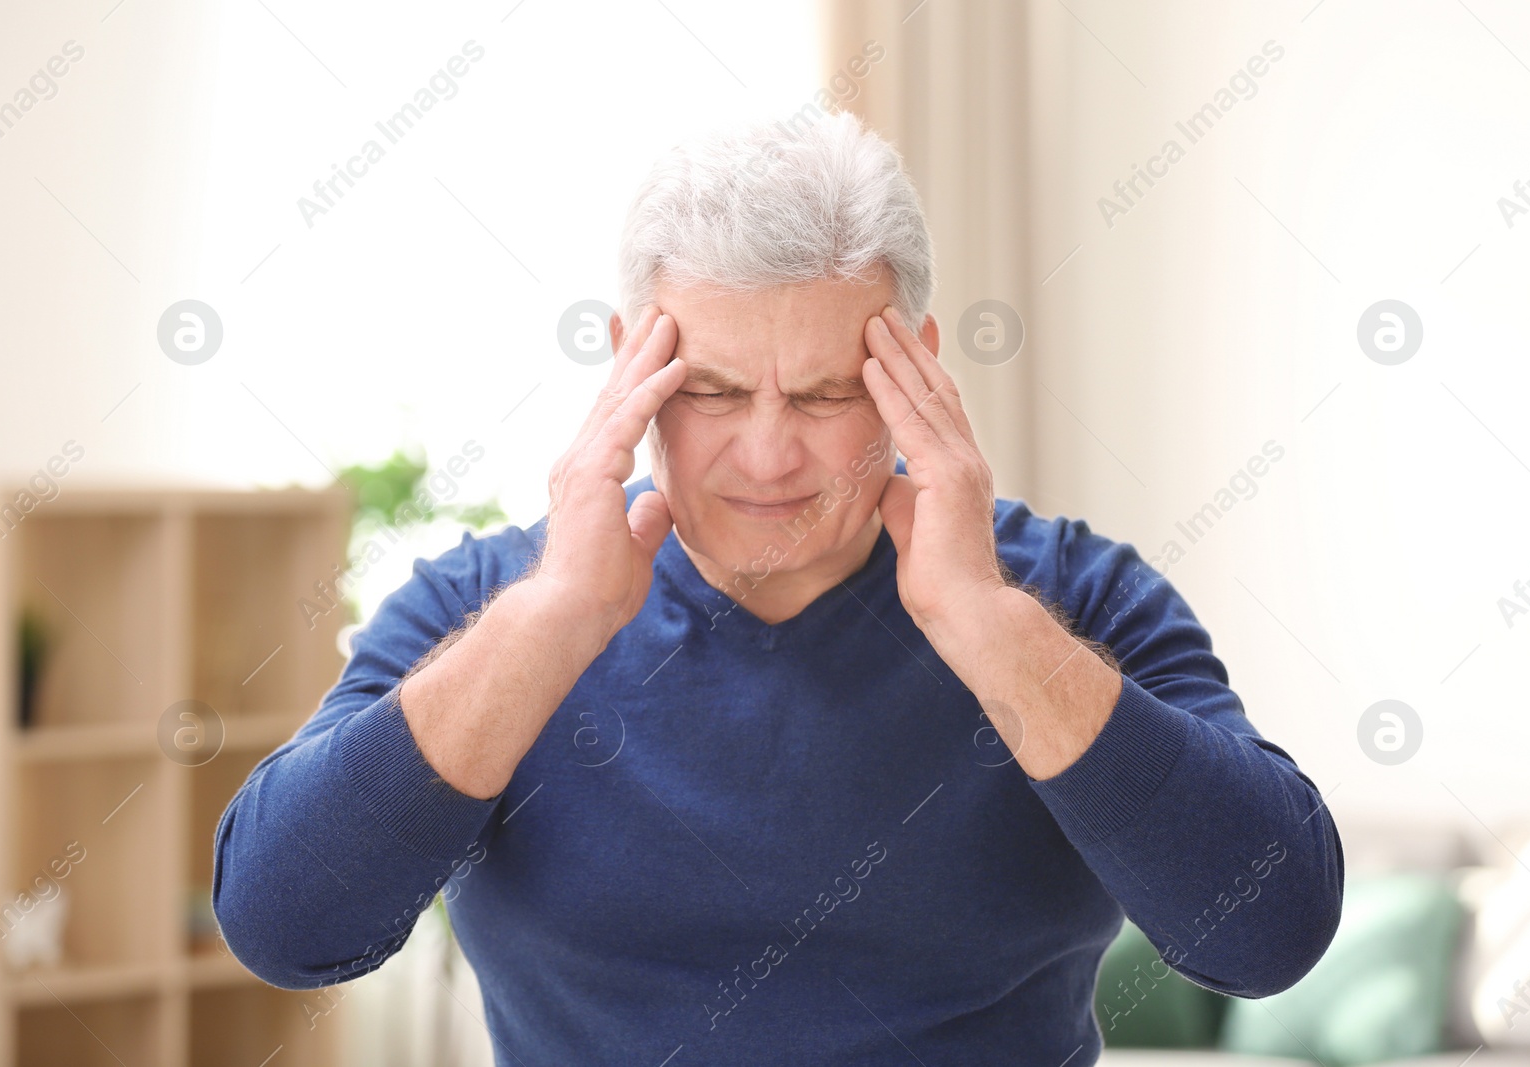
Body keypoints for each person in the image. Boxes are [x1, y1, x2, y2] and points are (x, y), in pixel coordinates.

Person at [213, 111, 1343, 1066]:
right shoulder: (491, 602)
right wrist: (555, 622)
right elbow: (283, 927)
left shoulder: (1066, 595)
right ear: (628, 370)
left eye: (819, 395)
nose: (764, 456)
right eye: (707, 389)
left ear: (915, 368)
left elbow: (1266, 934)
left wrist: (985, 625)